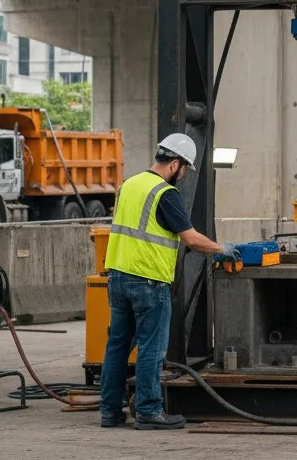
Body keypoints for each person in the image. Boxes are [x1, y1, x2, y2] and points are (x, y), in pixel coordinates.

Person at [99, 132, 238, 431]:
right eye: (184, 168)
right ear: (174, 164)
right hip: (148, 283)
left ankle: (110, 412)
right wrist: (221, 249)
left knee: (117, 347)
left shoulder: (129, 185)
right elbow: (190, 237)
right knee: (152, 349)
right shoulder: (165, 193)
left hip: (118, 278)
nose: (184, 174)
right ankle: (149, 412)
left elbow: (144, 229)